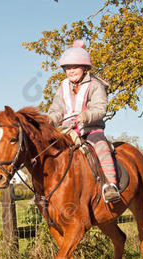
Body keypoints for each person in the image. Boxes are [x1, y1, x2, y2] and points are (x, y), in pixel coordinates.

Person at [47, 40, 119, 203]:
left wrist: (84, 116)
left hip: (90, 129)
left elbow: (100, 108)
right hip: (66, 130)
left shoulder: (95, 85)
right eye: (67, 68)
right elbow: (57, 109)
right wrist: (50, 120)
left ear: (85, 68)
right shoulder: (62, 87)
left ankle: (110, 185)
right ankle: (46, 190)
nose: (71, 71)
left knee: (101, 147)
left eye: (75, 67)